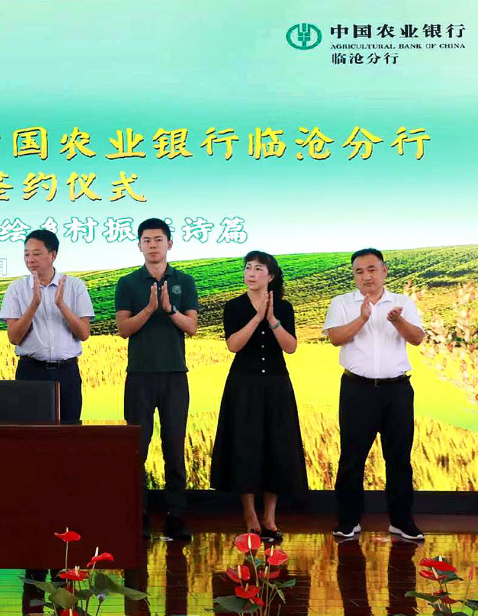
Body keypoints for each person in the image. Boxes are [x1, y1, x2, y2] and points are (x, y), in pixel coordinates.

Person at [324, 248, 425, 541]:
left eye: (371, 269)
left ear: (384, 270)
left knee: (399, 458)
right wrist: (362, 319)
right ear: (354, 276)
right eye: (359, 271)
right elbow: (335, 338)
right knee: (352, 458)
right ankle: (348, 521)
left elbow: (417, 338)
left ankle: (402, 522)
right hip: (357, 390)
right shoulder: (342, 303)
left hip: (397, 391)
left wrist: (397, 321)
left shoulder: (402, 303)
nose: (366, 276)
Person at [209, 251, 307, 542]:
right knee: (245, 446)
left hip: (276, 385)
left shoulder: (284, 307)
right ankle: (250, 515)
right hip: (243, 385)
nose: (251, 273)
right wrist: (257, 318)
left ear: (271, 276)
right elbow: (233, 345)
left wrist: (273, 319)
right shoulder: (234, 306)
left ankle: (270, 517)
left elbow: (290, 347)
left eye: (258, 269)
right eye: (248, 268)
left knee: (276, 446)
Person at [115, 218, 198, 541]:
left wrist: (169, 309)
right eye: (147, 240)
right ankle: (139, 515)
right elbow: (124, 329)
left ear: (169, 244)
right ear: (139, 246)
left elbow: (191, 327)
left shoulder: (184, 281)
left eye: (158, 239)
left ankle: (176, 516)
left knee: (174, 447)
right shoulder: (127, 283)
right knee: (137, 448)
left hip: (175, 375)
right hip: (139, 376)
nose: (153, 245)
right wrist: (150, 309)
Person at [0, 229, 94, 424]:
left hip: (67, 372)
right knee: (30, 433)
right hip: (31, 371)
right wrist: (34, 304)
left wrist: (61, 305)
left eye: (36, 253)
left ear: (53, 255)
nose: (30, 259)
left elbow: (84, 333)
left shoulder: (75, 286)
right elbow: (14, 338)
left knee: (69, 432)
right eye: (26, 254)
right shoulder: (16, 289)